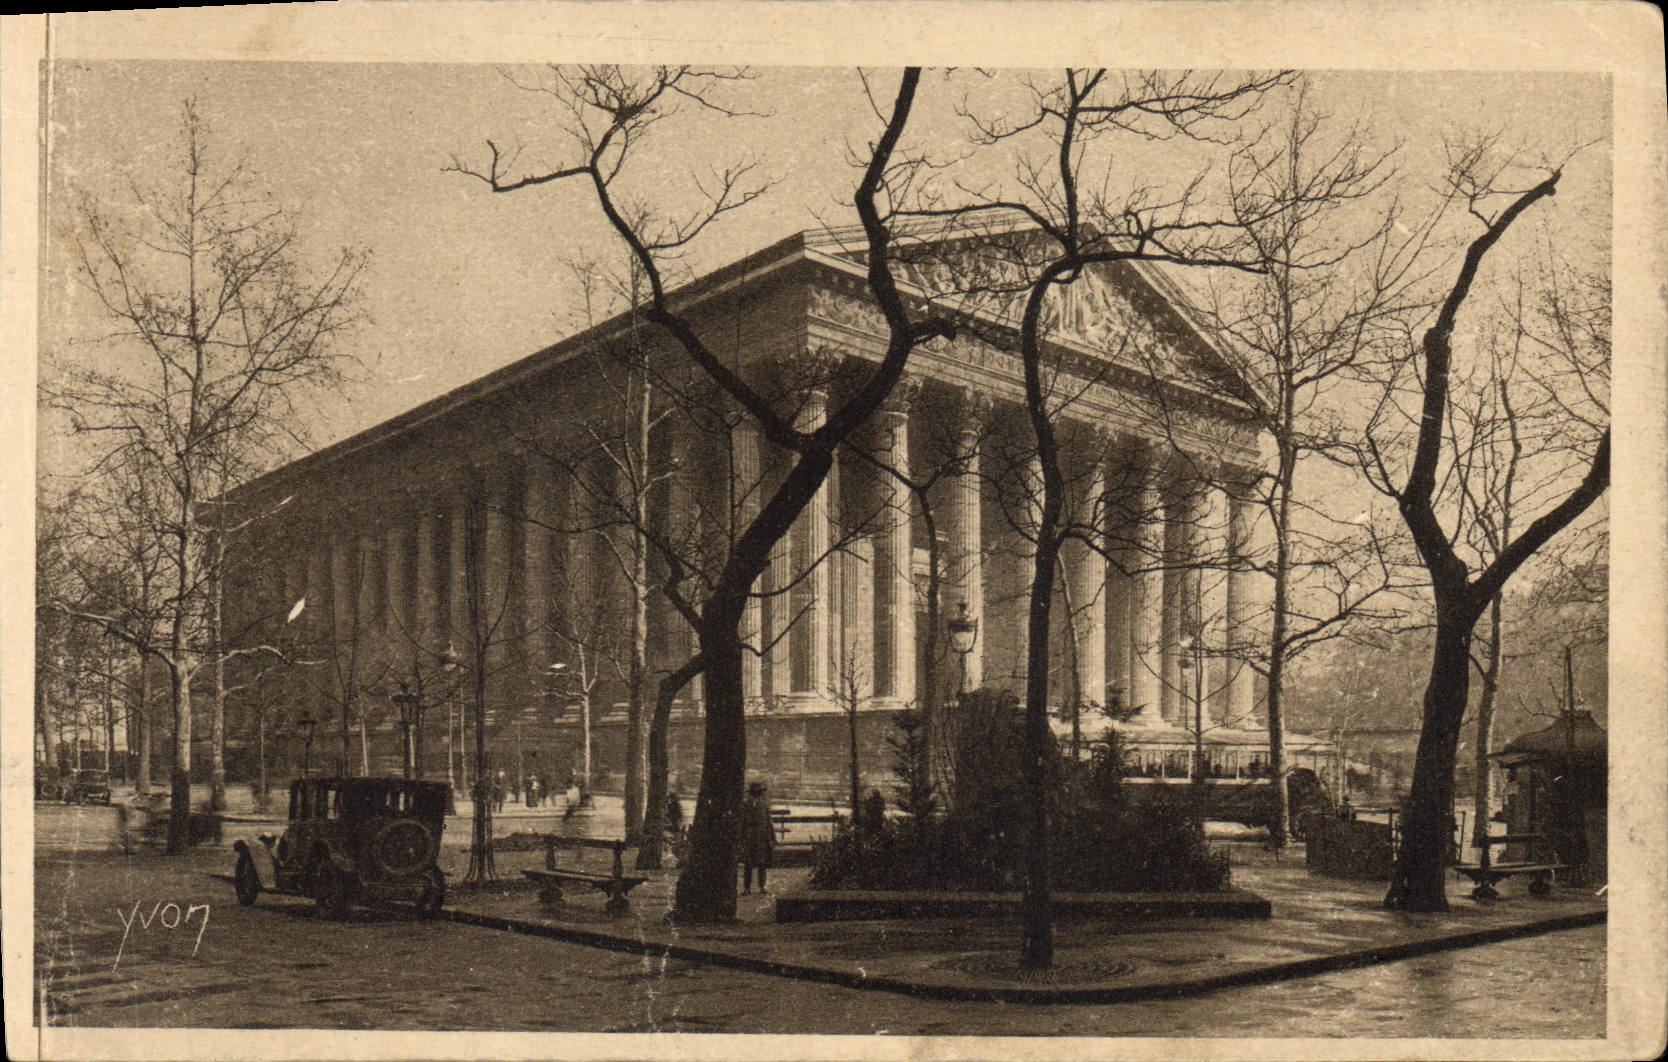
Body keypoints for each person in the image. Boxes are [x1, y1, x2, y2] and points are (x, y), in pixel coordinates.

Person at [737, 781, 775, 895]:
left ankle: (761, 886)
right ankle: (747, 887)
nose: (757, 796)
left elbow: (769, 822)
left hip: (762, 836)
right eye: (755, 793)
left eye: (758, 793)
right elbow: (742, 822)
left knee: (762, 862)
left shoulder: (764, 805)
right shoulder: (746, 805)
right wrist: (741, 837)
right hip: (749, 837)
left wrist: (772, 837)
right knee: (748, 863)